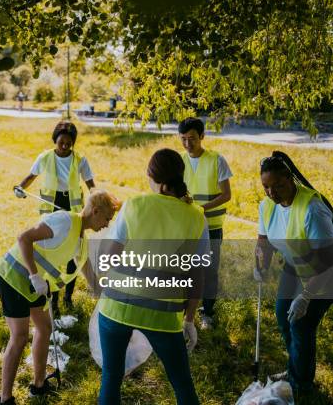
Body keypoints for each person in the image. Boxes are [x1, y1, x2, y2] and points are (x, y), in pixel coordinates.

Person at [97, 148, 209, 405]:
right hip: (163, 312)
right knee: (182, 383)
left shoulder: (134, 205)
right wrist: (190, 319)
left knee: (111, 377)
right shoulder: (196, 218)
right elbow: (197, 274)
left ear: (153, 177)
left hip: (116, 306)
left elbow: (107, 256)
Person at [0, 189, 120, 405]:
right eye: (107, 218)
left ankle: (39, 385)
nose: (107, 224)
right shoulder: (64, 221)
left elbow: (88, 271)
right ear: (96, 211)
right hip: (14, 276)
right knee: (20, 336)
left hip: (35, 285)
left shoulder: (81, 240)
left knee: (45, 328)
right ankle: (5, 398)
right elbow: (24, 238)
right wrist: (34, 276)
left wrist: (107, 293)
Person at [255, 151, 333, 394]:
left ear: (290, 179)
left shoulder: (313, 209)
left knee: (300, 325)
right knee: (283, 315)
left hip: (326, 275)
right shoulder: (267, 206)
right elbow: (263, 241)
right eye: (266, 187)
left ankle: (301, 383)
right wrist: (260, 264)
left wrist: (306, 296)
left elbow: (330, 261)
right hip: (296, 267)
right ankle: (296, 369)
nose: (272, 193)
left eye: (278, 185)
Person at [14, 121, 95, 315]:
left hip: (73, 209)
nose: (65, 147)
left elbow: (91, 184)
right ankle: (54, 301)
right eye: (62, 143)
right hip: (51, 210)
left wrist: (98, 198)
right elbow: (31, 176)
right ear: (55, 141)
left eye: (69, 143)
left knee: (73, 252)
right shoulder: (45, 157)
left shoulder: (80, 160)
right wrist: (20, 188)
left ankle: (68, 297)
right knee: (53, 253)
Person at [178, 117, 232, 329]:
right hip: (186, 227)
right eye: (183, 139)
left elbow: (226, 195)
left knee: (209, 271)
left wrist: (200, 209)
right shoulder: (179, 161)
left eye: (192, 138)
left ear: (202, 136)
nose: (187, 143)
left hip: (212, 226)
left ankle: (207, 313)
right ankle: (184, 311)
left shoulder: (216, 160)